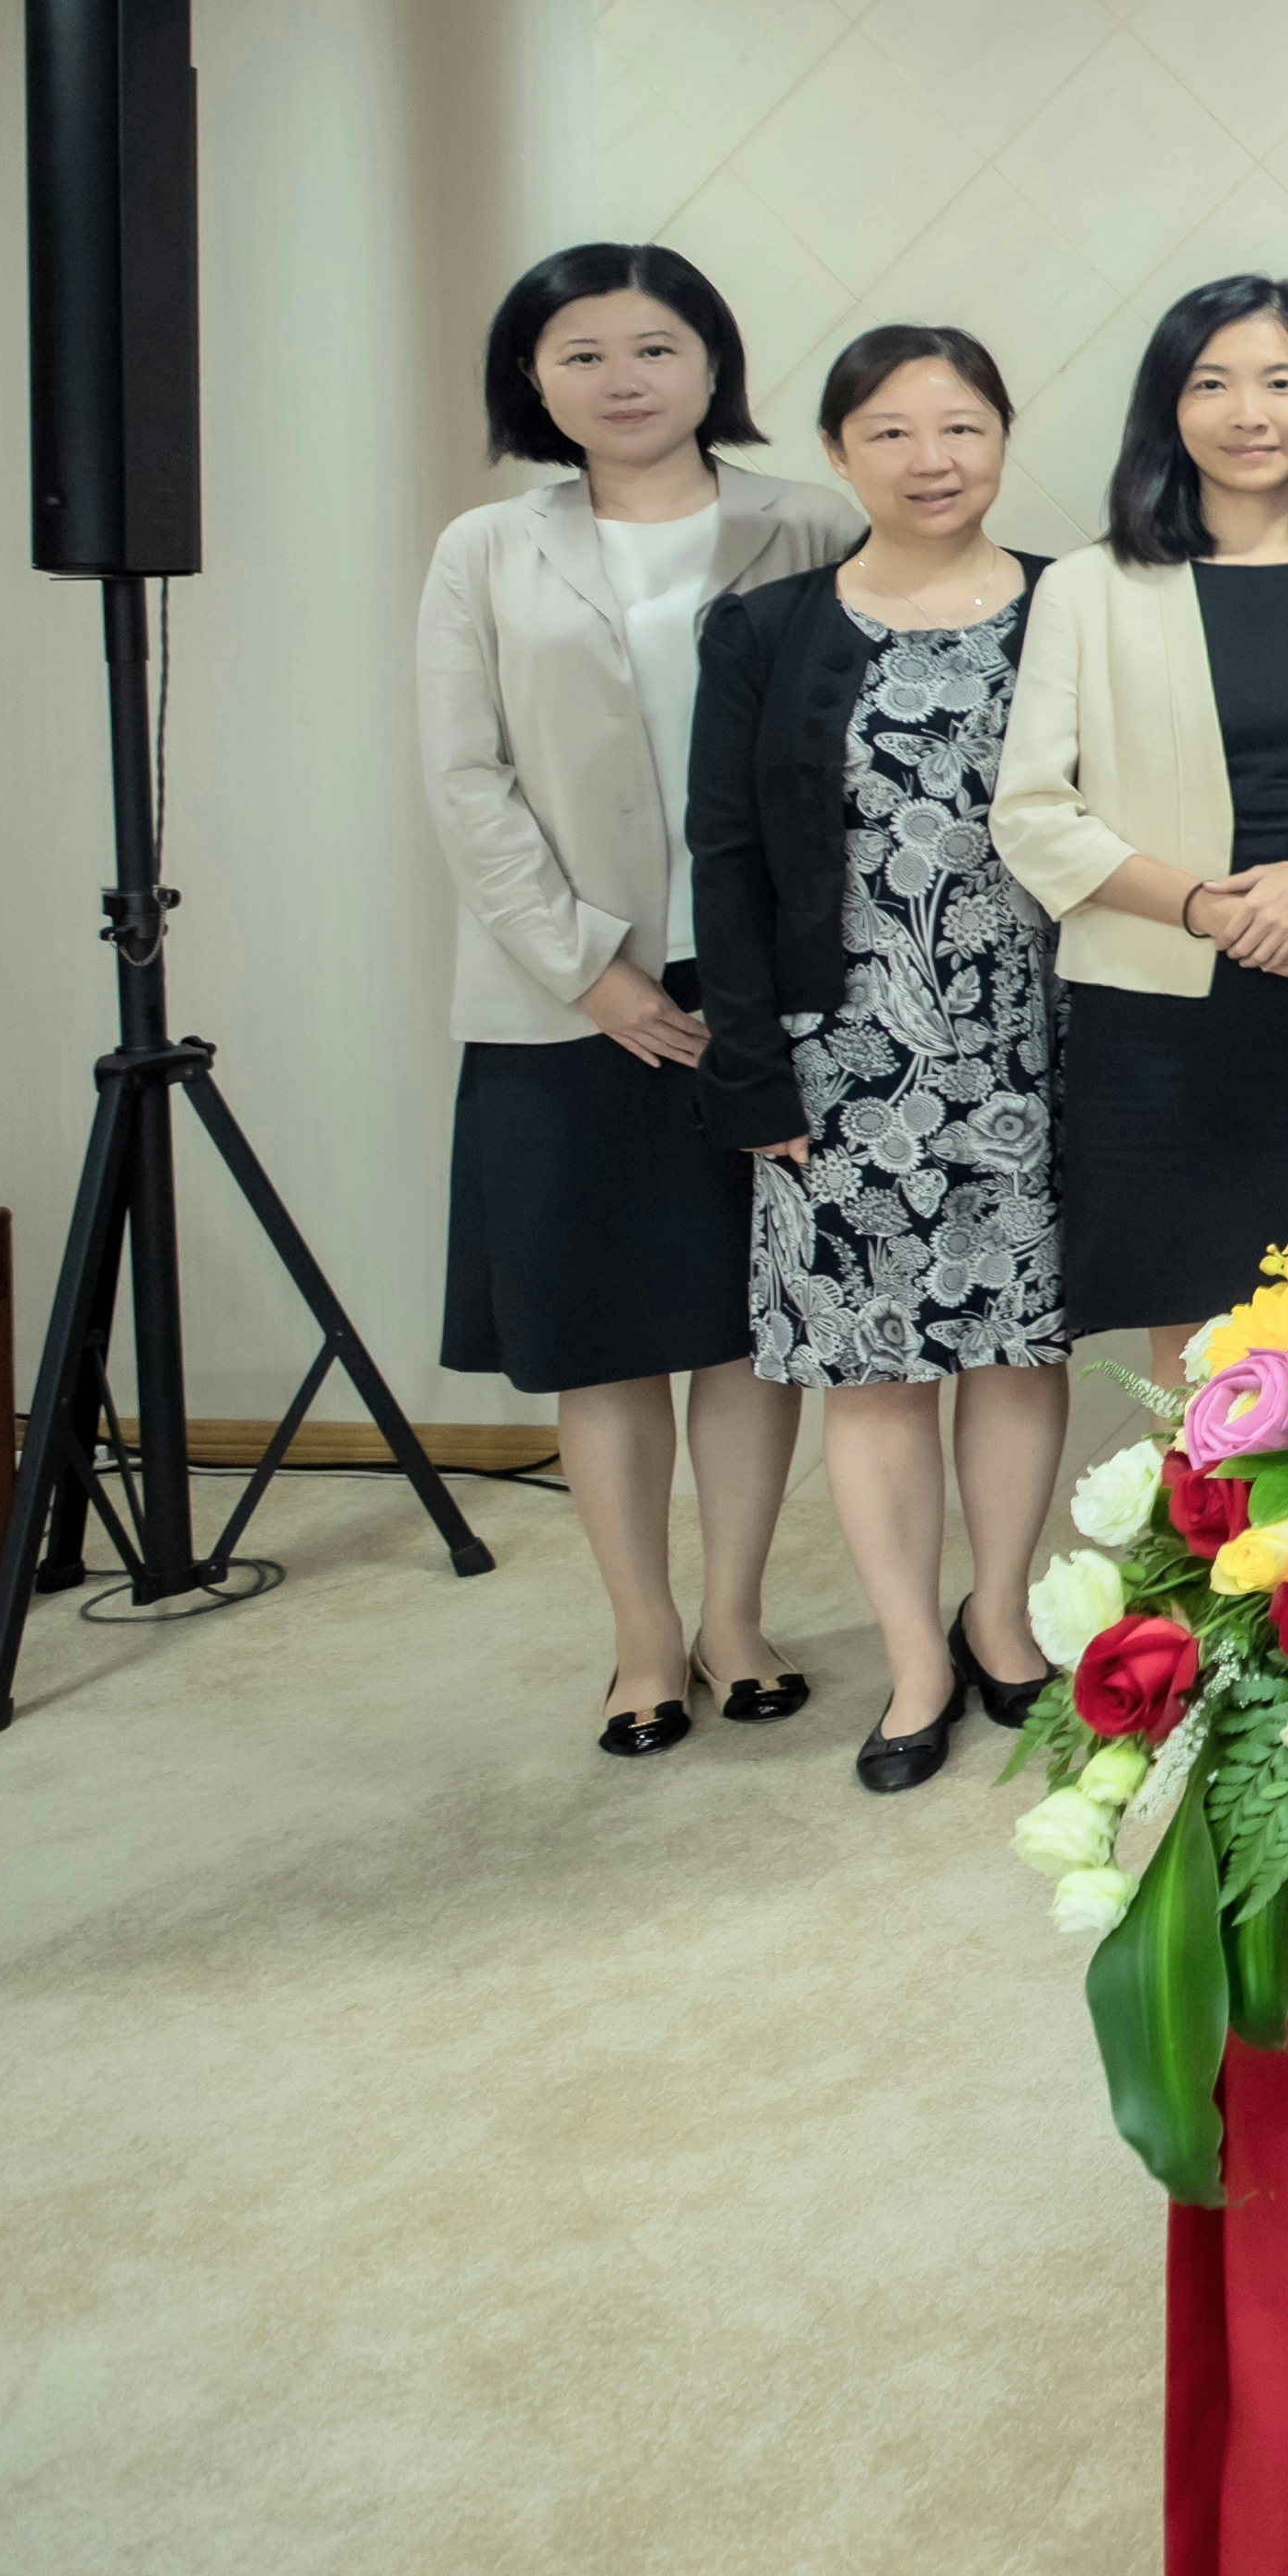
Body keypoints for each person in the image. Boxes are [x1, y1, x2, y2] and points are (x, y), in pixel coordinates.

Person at [420, 242, 861, 1755]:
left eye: (656, 347)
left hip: (765, 986)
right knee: (604, 1336)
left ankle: (736, 1615)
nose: (624, 378)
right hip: (562, 1003)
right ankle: (640, 1636)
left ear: (712, 364)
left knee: (747, 1325)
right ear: (532, 379)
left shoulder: (808, 525)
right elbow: (465, 782)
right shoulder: (483, 548)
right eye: (584, 353)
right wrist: (590, 971)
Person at [686, 327, 1067, 1792]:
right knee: (873, 1368)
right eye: (893, 431)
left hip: (1033, 1031)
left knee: (1022, 1345)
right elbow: (724, 855)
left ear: (1003, 437)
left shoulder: (1070, 605)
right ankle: (914, 1653)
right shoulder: (767, 627)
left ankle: (1000, 1612)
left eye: (962, 426)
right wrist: (748, 1068)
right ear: (840, 450)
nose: (931, 459)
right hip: (839, 1047)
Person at [994, 277, 1288, 1344]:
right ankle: (1194, 1517)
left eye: (1281, 382)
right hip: (1150, 1003)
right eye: (1213, 384)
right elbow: (1033, 811)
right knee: (1184, 1318)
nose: (1251, 413)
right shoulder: (1089, 586)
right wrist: (1209, 907)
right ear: (1169, 407)